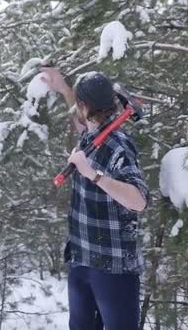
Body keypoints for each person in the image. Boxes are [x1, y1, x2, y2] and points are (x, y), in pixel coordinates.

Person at [40, 67, 149, 330]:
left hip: (112, 267)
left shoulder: (118, 146)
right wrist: (65, 89)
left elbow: (139, 200)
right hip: (82, 258)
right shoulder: (92, 134)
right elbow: (81, 123)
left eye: (78, 101)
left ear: (85, 105)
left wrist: (93, 174)